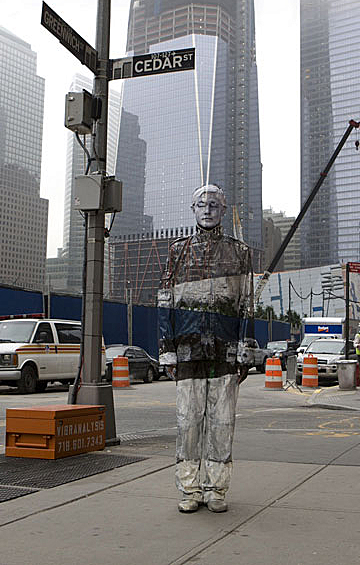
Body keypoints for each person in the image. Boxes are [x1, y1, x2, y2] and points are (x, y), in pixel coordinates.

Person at [157, 184, 253, 514]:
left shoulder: (240, 252)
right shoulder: (177, 251)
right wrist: (166, 348)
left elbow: (246, 304)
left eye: (214, 204)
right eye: (201, 204)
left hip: (225, 350)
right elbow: (165, 301)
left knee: (222, 422)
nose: (208, 209)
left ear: (224, 210)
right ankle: (189, 487)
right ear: (193, 209)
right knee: (188, 424)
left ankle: (217, 488)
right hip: (188, 350)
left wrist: (244, 347)